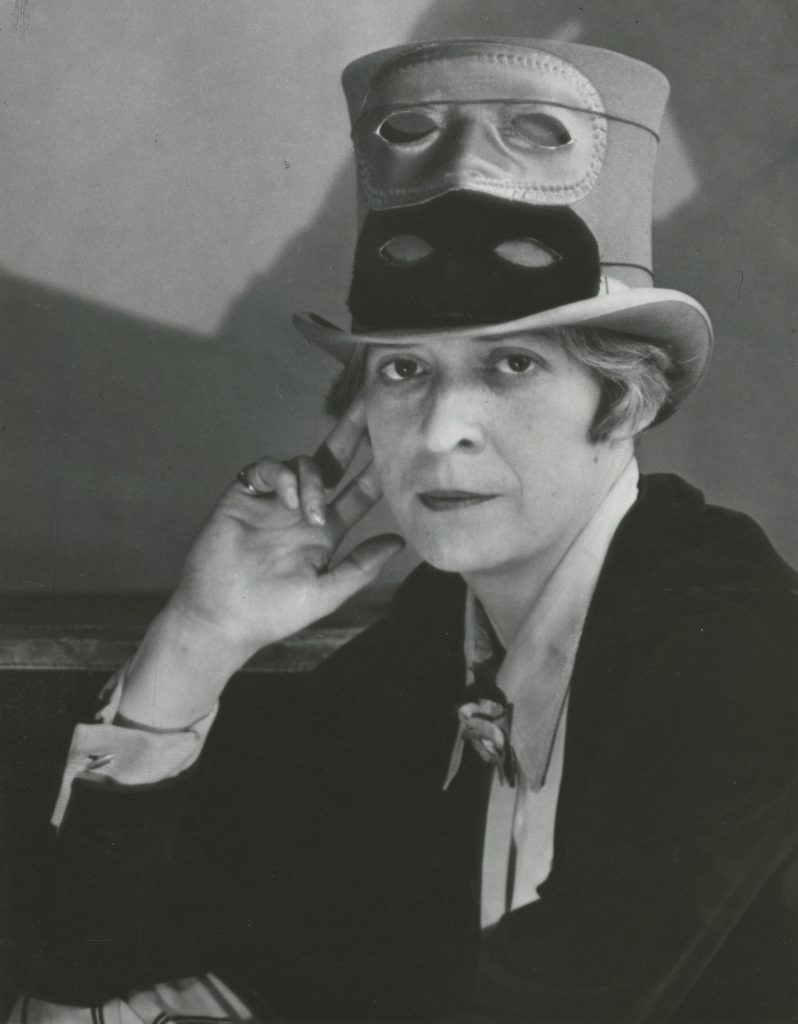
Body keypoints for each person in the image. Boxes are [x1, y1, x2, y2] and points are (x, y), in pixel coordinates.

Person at [8, 37, 798, 1024]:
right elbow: (82, 957)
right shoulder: (438, 636)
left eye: (512, 365)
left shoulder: (738, 644)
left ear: (627, 399)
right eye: (403, 370)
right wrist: (200, 637)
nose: (437, 429)